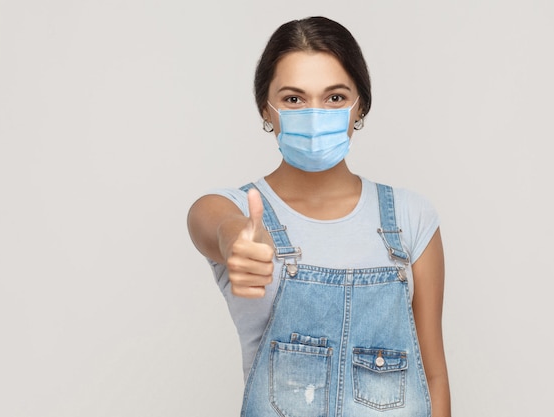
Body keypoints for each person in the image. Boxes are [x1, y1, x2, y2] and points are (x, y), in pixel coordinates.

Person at [187, 16, 450, 417]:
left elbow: (433, 378)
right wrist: (234, 239)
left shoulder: (411, 218)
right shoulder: (240, 211)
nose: (315, 114)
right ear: (266, 109)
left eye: (334, 97)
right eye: (294, 99)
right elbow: (210, 222)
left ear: (359, 106)